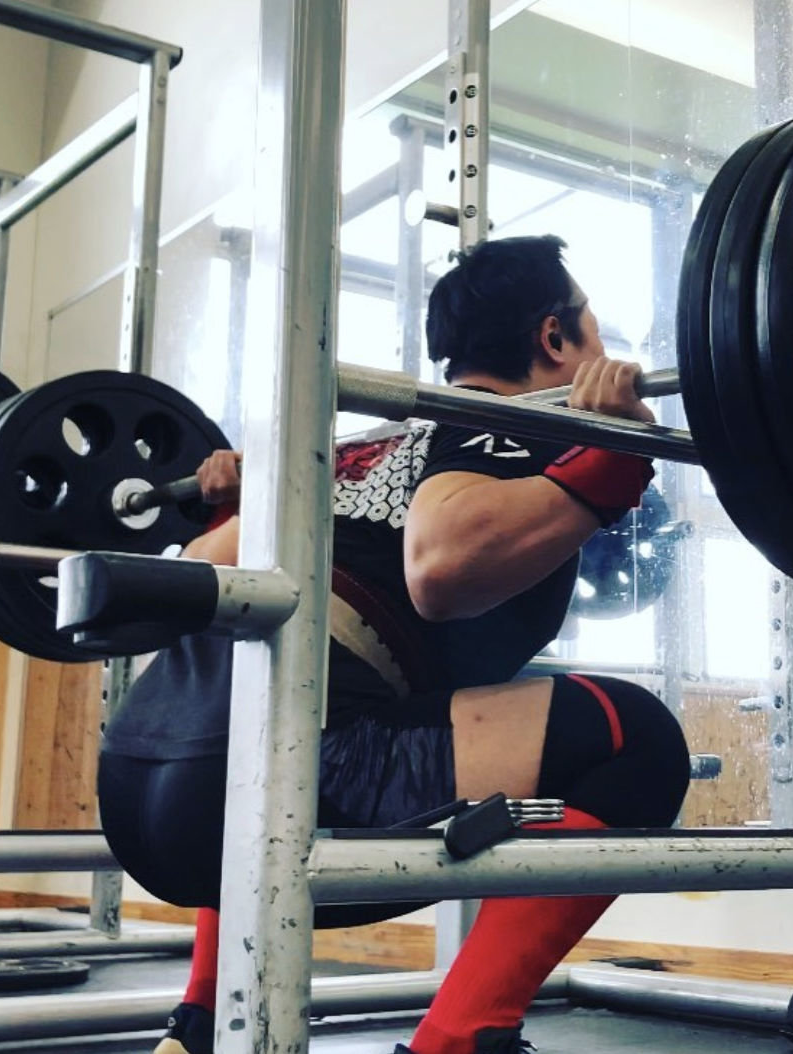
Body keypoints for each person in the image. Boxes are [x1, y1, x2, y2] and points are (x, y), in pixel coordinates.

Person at [95, 234, 692, 1054]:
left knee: (270, 698)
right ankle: (460, 1040)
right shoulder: (507, 424)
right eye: (591, 327)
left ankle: (200, 1027)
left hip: (145, 785)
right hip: (296, 783)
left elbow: (198, 569)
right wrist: (611, 458)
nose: (602, 346)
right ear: (554, 338)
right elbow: (441, 568)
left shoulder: (352, 448)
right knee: (636, 737)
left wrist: (236, 504)